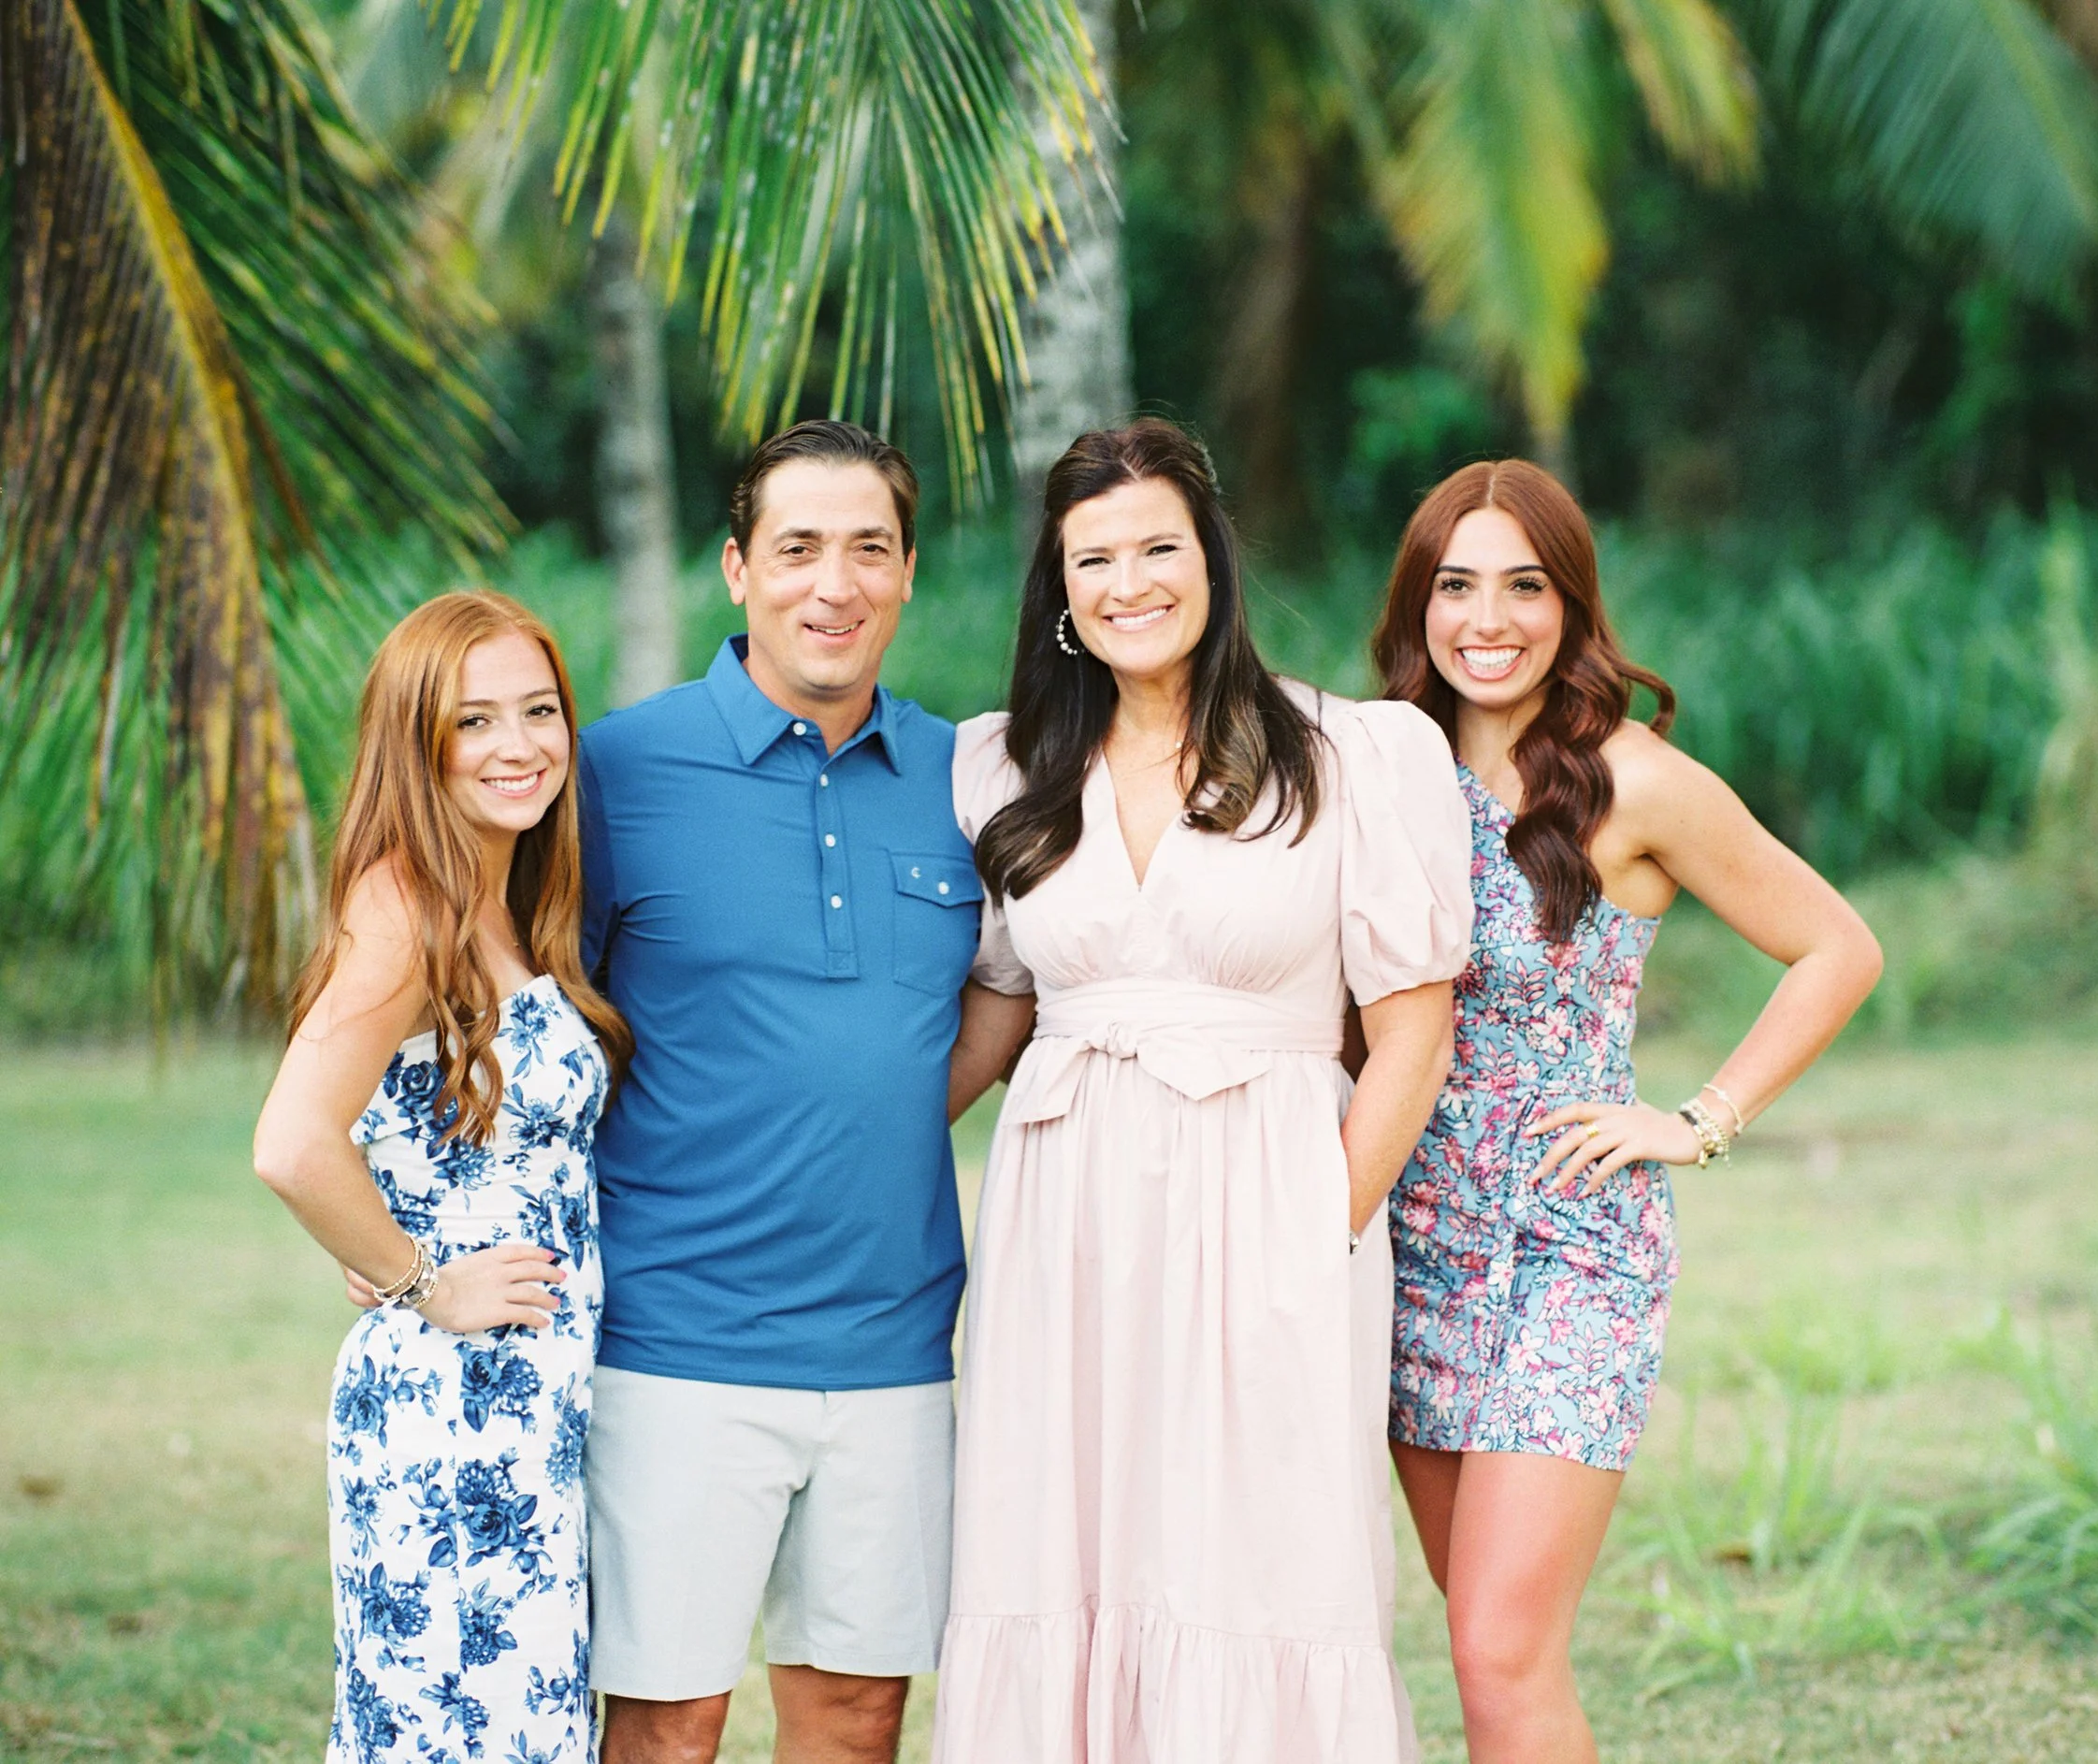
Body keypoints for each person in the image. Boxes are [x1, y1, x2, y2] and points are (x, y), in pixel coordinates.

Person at [933, 419, 1473, 1763]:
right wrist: (833, 1139)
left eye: (1158, 547)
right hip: (1063, 1220)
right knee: (1061, 1545)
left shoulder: (1347, 751)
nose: (1129, 582)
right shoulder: (1004, 766)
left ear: (1213, 559)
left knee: (1269, 1551)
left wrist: (1319, 1224)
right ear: (1059, 589)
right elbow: (1000, 1004)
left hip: (1271, 1199)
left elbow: (1412, 1031)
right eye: (1093, 557)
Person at [1372, 460, 1884, 1762]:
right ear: (1418, 605)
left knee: (1499, 1650)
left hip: (1569, 1251)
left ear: (1571, 603)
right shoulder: (1378, 768)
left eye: (1524, 586)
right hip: (1410, 1249)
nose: (1488, 619)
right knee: (1486, 1642)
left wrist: (1699, 1117)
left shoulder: (1633, 779)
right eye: (1457, 585)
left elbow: (1837, 946)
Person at [576, 420, 986, 1764]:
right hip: (674, 1339)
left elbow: (1018, 985)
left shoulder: (969, 775)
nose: (835, 583)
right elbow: (525, 1021)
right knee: (667, 1722)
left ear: (909, 571)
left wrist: (885, 1108)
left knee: (858, 1714)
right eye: (798, 548)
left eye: (869, 548)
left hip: (894, 1348)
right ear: (737, 567)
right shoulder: (616, 772)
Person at [253, 591, 630, 1763]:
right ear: (418, 744)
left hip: (533, 1403)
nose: (518, 745)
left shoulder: (504, 904)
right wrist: (426, 1281)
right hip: (452, 1405)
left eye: (539, 710)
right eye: (474, 722)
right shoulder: (402, 903)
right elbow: (291, 1141)